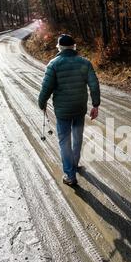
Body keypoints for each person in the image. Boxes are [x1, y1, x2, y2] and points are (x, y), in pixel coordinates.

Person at [38, 34, 100, 186]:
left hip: (63, 111)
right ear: (74, 46)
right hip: (79, 108)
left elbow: (46, 88)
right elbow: (94, 84)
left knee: (64, 141)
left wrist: (42, 103)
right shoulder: (85, 62)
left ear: (59, 47)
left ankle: (70, 175)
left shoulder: (54, 64)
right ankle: (75, 164)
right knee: (77, 137)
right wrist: (95, 105)